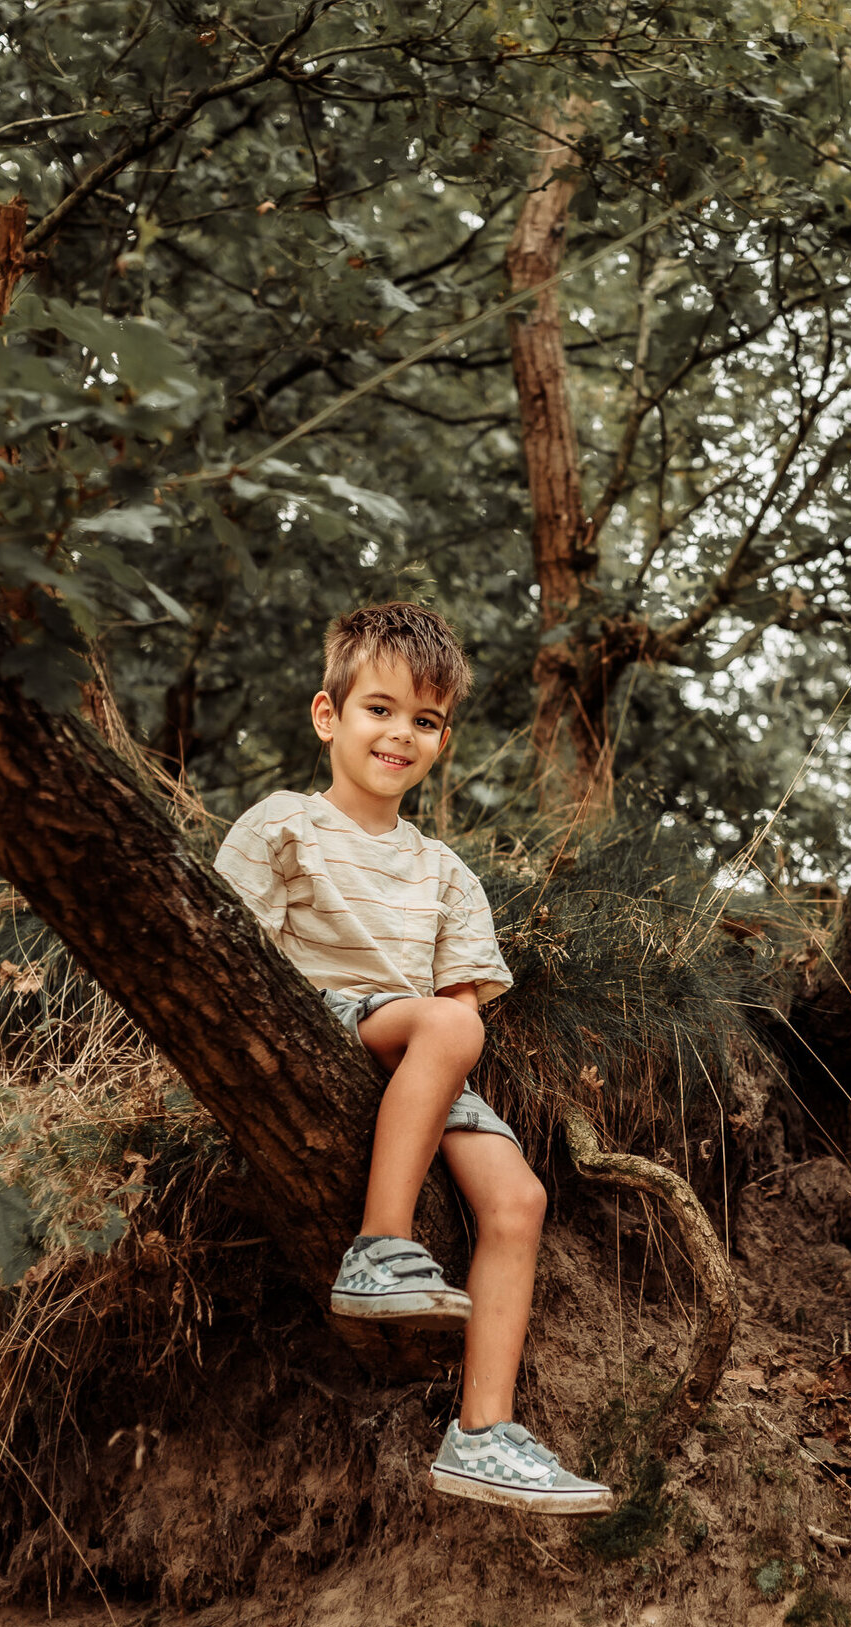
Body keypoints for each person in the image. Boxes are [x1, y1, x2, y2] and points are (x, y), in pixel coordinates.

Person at [213, 602, 612, 1516]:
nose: (400, 733)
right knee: (443, 1029)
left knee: (519, 1198)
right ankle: (380, 1250)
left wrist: (440, 1074)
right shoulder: (282, 826)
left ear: (443, 740)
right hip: (317, 1021)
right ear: (329, 715)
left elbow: (459, 1012)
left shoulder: (446, 875)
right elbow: (237, 962)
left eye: (425, 721)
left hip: (422, 1053)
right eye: (379, 709)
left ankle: (482, 1433)